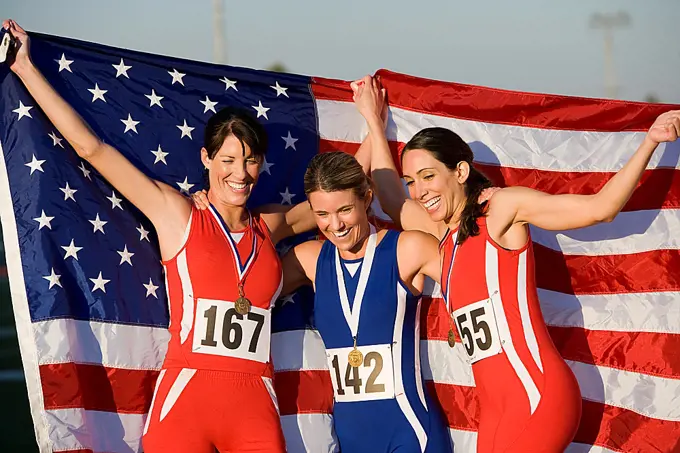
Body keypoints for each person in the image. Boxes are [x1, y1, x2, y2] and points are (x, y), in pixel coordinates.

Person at [3, 19, 368, 453]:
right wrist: (25, 70)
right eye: (228, 158)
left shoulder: (269, 226)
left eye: (250, 160)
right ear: (206, 158)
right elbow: (92, 150)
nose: (240, 172)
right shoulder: (176, 213)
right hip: (184, 402)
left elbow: (341, 191)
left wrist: (371, 121)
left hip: (255, 405)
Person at [352, 75, 680, 452]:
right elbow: (392, 197)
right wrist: (373, 122)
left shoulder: (501, 210)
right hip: (495, 410)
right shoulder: (441, 235)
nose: (420, 190)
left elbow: (600, 209)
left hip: (539, 398)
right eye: (413, 180)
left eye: (428, 176)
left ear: (460, 172)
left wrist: (650, 141)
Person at [279, 150, 453, 453]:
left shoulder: (407, 248)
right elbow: (243, 285)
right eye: (322, 214)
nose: (336, 225)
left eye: (345, 210)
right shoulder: (308, 259)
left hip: (411, 434)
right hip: (351, 439)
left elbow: (475, 279)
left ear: (367, 198)